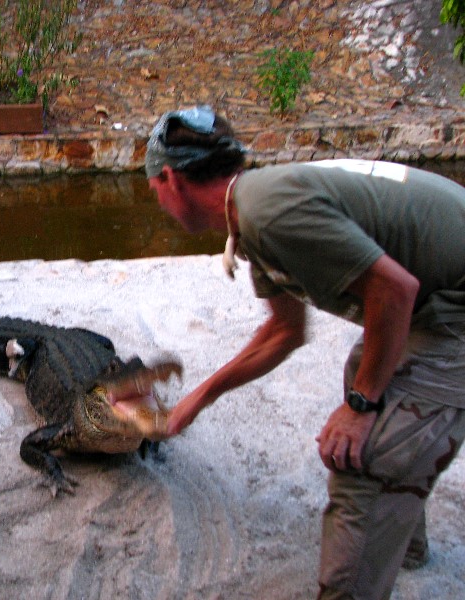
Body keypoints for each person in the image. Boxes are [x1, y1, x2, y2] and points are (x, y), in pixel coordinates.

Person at [134, 105, 465, 599]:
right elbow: (284, 331)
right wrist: (196, 400)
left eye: (153, 189)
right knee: (364, 369)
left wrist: (360, 408)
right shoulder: (252, 208)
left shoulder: (269, 212)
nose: (157, 201)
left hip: (450, 306)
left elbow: (395, 292)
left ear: (170, 178)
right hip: (437, 295)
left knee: (363, 455)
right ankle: (401, 546)